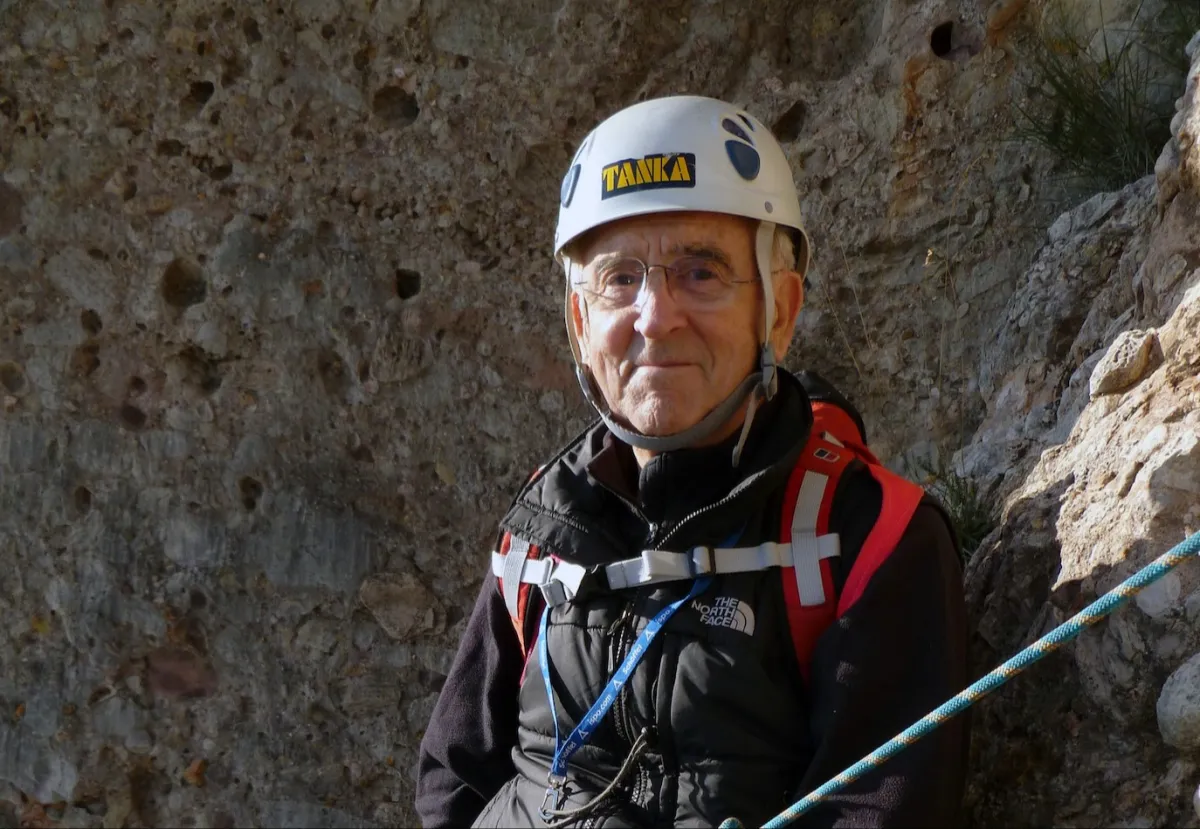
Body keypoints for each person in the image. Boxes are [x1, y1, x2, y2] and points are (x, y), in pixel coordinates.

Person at [415, 95, 969, 828]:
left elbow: (881, 811)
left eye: (700, 272)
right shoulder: (540, 531)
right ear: (580, 325)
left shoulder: (869, 539)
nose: (655, 315)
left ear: (779, 308)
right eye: (619, 278)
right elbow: (451, 781)